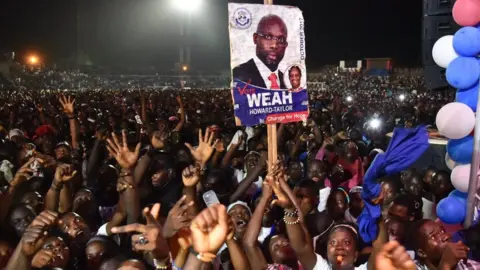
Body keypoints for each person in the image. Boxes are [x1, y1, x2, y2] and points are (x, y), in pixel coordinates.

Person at [232, 14, 288, 89]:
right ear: (255, 38)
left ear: (285, 45)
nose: (274, 45)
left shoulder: (288, 82)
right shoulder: (238, 75)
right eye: (268, 37)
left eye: (281, 39)